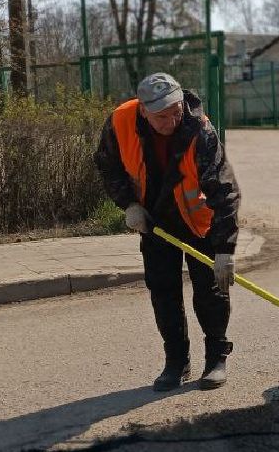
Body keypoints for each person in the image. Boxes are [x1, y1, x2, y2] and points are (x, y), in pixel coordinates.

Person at [95, 72, 241, 392]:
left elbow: (224, 192)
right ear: (143, 111)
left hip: (197, 222)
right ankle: (176, 362)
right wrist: (129, 204)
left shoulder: (199, 131)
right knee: (163, 292)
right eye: (161, 115)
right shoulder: (121, 122)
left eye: (175, 111)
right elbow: (107, 164)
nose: (171, 120)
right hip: (155, 222)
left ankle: (216, 358)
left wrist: (224, 251)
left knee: (210, 291)